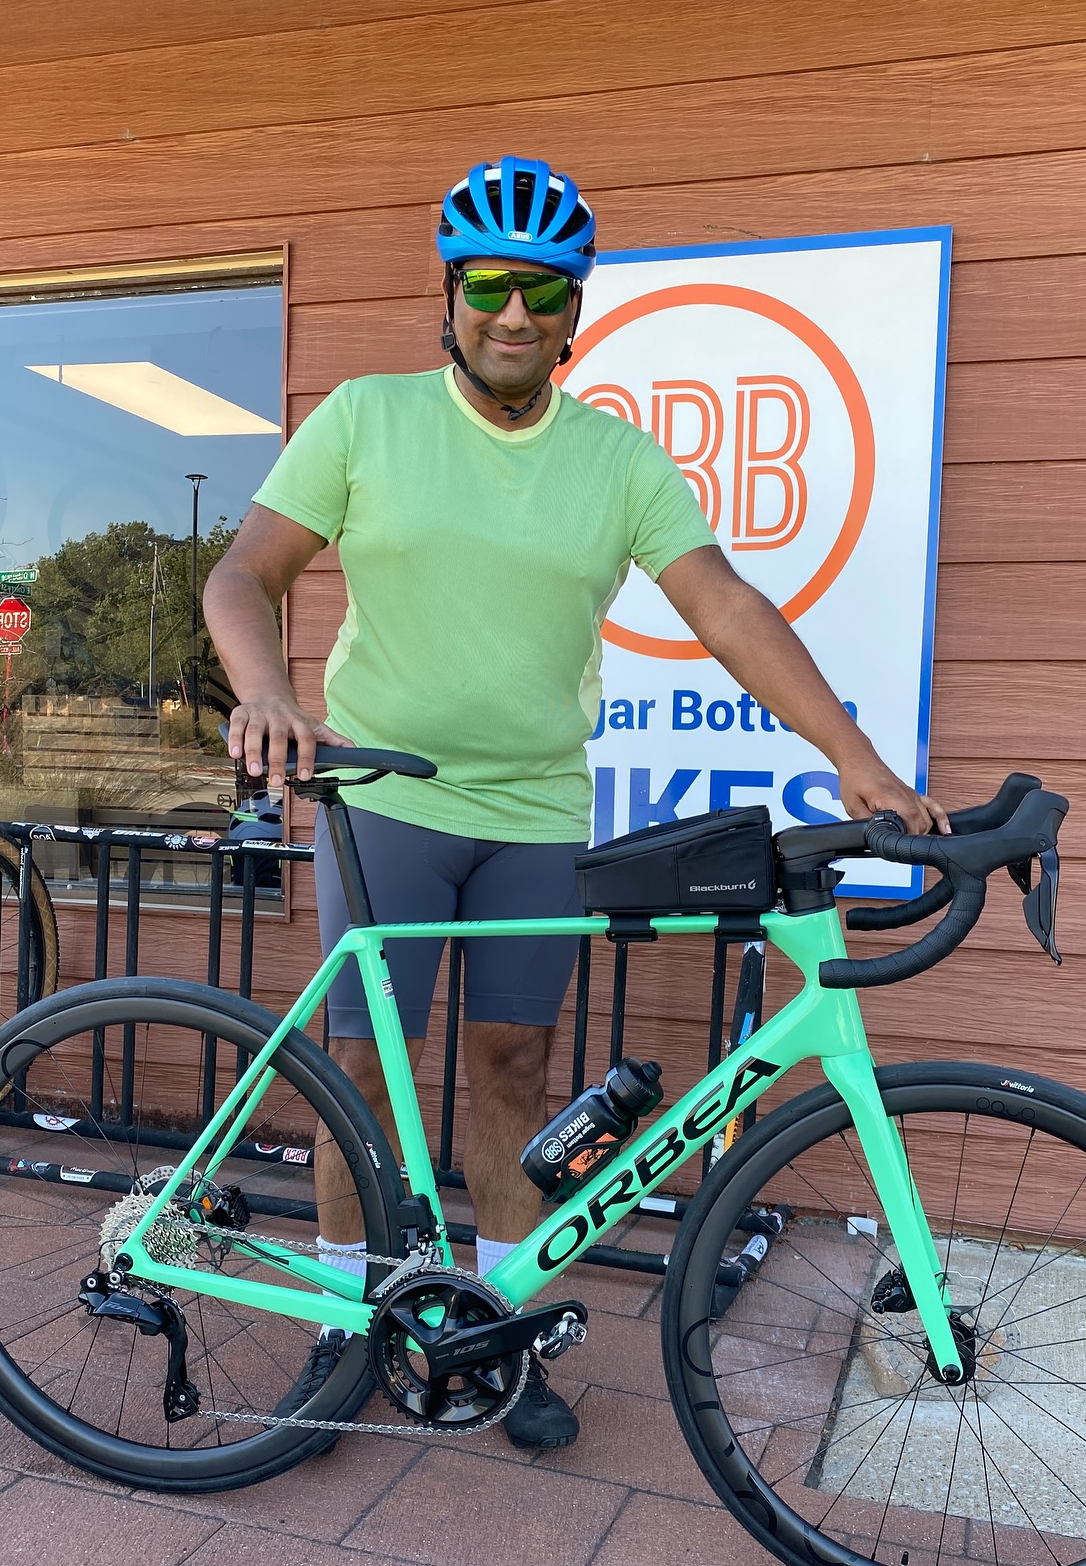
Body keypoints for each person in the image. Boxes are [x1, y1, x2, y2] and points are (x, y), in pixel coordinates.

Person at [205, 155, 948, 1451]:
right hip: (383, 794)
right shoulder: (366, 418)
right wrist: (267, 693)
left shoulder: (615, 458)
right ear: (449, 294)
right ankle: (340, 1322)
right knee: (367, 1077)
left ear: (575, 311)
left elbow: (724, 604)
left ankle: (495, 1321)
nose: (513, 314)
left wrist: (854, 752)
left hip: (538, 809)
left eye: (541, 292)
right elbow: (242, 574)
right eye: (488, 284)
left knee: (514, 1068)